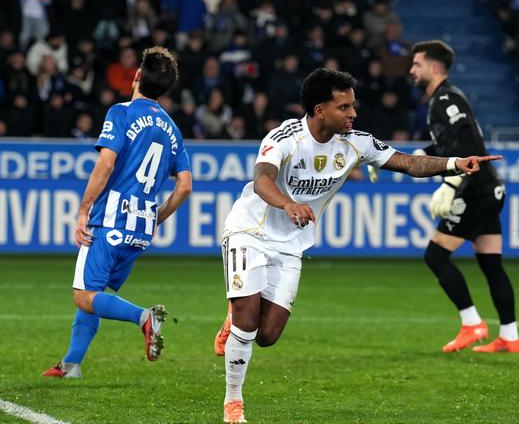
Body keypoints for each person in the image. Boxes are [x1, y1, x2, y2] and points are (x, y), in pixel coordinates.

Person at [213, 68, 500, 423]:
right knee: (247, 319)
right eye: (344, 107)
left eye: (353, 106)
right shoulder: (284, 136)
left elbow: (409, 163)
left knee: (267, 335)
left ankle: (239, 311)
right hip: (250, 231)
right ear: (320, 111)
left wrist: (456, 164)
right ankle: (233, 403)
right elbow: (261, 180)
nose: (353, 114)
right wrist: (287, 204)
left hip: (291, 244)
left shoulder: (356, 142)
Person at [43, 46, 192, 378]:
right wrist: (156, 217)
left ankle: (144, 317)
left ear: (137, 76)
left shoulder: (122, 112)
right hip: (139, 228)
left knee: (84, 295)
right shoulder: (173, 129)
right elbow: (184, 187)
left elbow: (105, 164)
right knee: (95, 291)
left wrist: (83, 210)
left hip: (109, 219)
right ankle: (71, 363)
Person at [408, 40, 519, 354]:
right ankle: (510, 337)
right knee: (491, 264)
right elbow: (452, 144)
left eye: (416, 64)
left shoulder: (445, 99)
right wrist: (419, 155)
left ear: (433, 68)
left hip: (475, 191)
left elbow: (470, 140)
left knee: (435, 256)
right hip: (490, 189)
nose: (411, 70)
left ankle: (472, 323)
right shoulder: (445, 99)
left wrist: (453, 182)